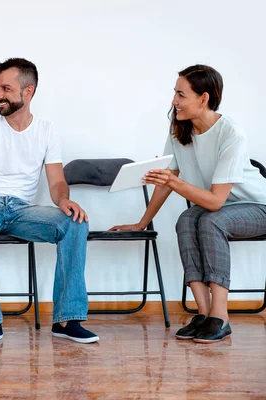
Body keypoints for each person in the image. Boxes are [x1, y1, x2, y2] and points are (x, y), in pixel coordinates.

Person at [111, 64, 266, 343]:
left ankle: (221, 316)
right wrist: (142, 222)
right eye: (175, 93)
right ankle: (205, 314)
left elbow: (216, 201)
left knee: (210, 219)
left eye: (181, 95)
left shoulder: (230, 133)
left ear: (203, 99)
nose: (174, 101)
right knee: (185, 220)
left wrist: (174, 182)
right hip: (219, 208)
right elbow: (168, 177)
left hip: (257, 207)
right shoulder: (180, 132)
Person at [0, 58, 98, 348]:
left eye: (5, 88)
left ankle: (66, 320)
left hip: (22, 210)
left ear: (28, 92)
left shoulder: (46, 130)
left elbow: (57, 182)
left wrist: (64, 201)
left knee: (75, 222)